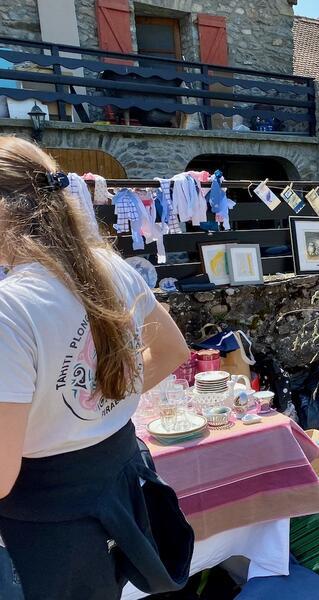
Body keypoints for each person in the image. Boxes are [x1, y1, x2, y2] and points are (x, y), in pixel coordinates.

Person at [0, 137, 193, 599]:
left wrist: (76, 404)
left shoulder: (10, 307)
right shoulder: (109, 266)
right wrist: (94, 401)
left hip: (50, 518)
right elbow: (171, 351)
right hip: (117, 485)